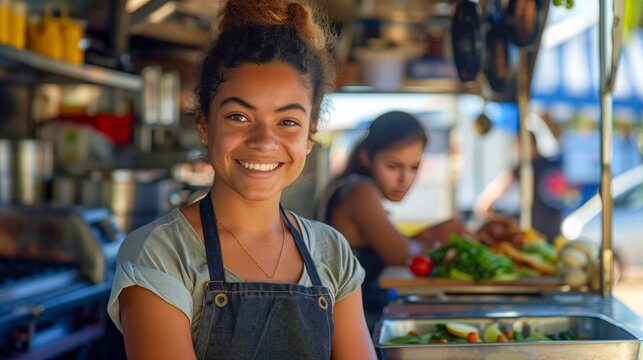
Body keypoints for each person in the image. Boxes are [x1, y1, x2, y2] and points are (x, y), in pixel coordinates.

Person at [107, 1, 377, 359]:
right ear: (204, 125)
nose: (264, 142)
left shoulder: (332, 253)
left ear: (310, 136)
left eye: (288, 122)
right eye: (238, 116)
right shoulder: (161, 254)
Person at [316, 110, 472, 329]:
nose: (404, 179)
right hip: (352, 326)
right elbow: (400, 255)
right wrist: (444, 237)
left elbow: (396, 243)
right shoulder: (360, 192)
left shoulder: (351, 187)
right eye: (393, 166)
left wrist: (435, 233)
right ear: (366, 157)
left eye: (414, 167)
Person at [474, 131, 577, 242]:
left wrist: (484, 205)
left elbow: (494, 193)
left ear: (530, 144)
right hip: (555, 230)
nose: (517, 151)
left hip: (534, 232)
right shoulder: (552, 164)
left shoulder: (526, 167)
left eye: (518, 146)